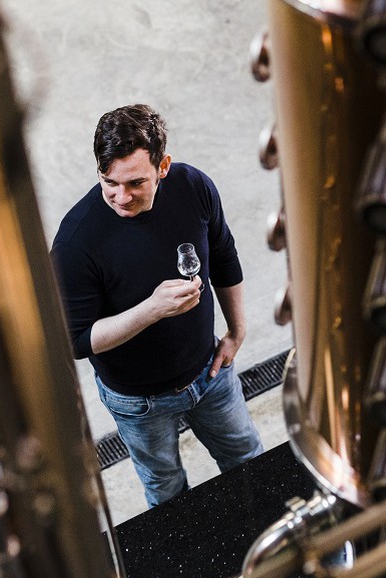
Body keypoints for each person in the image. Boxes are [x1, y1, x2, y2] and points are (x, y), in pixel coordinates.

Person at [50, 104, 264, 508]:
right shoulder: (75, 243)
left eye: (135, 183)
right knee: (166, 492)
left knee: (248, 461)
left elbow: (223, 255)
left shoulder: (193, 187)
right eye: (109, 182)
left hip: (210, 373)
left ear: (163, 166)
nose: (121, 197)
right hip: (138, 402)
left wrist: (237, 331)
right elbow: (76, 340)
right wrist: (152, 309)